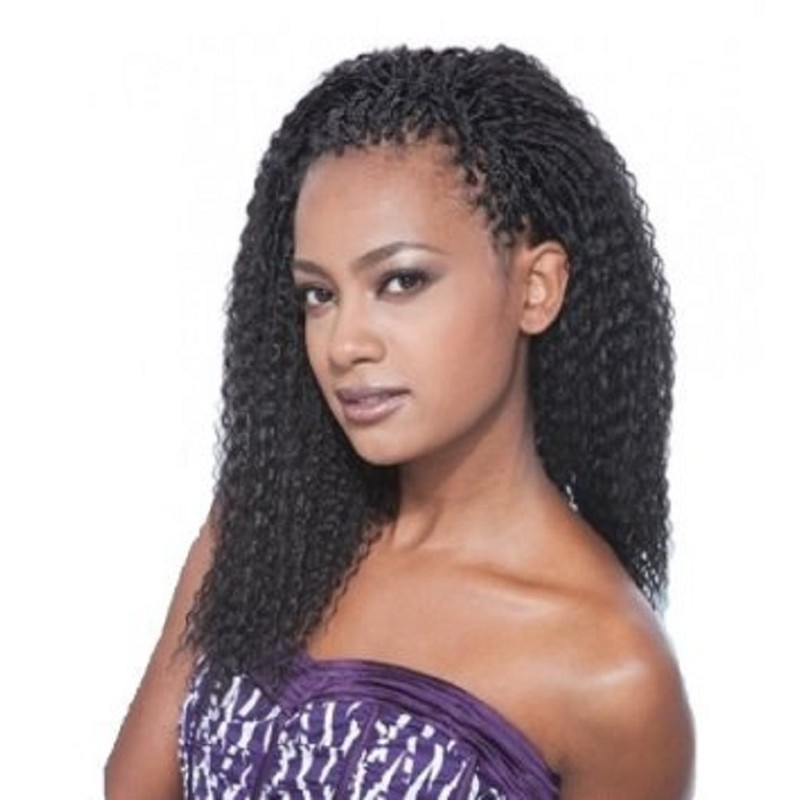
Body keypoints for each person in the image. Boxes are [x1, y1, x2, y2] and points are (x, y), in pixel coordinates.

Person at [106, 45, 694, 799]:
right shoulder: (260, 533)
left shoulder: (611, 672)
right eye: (318, 295)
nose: (344, 344)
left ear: (536, 288)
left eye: (401, 280)